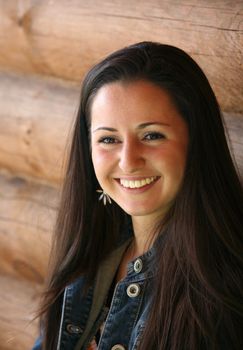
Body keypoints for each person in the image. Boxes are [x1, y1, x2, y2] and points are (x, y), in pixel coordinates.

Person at [32, 41, 243, 350]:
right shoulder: (88, 256)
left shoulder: (228, 284)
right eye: (108, 139)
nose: (128, 160)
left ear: (197, 140)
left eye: (152, 135)